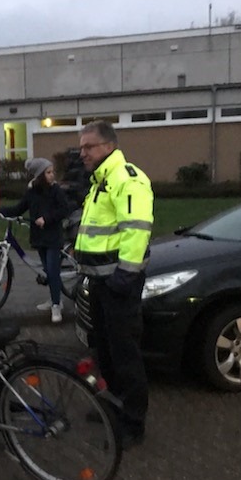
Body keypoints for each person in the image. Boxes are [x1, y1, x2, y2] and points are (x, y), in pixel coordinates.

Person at [73, 120, 154, 449]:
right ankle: (113, 405)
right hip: (100, 280)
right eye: (81, 148)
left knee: (125, 354)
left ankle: (133, 423)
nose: (82, 154)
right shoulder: (100, 182)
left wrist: (125, 275)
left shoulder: (126, 179)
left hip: (118, 283)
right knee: (105, 349)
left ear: (108, 146)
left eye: (88, 147)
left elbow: (136, 228)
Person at [0, 157, 69, 323]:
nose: (52, 175)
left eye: (52, 172)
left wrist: (47, 219)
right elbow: (19, 208)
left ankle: (56, 306)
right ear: (39, 175)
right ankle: (54, 298)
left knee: (52, 271)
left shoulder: (56, 191)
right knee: (46, 269)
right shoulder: (32, 193)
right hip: (39, 237)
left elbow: (64, 209)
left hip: (53, 237)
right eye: (48, 172)